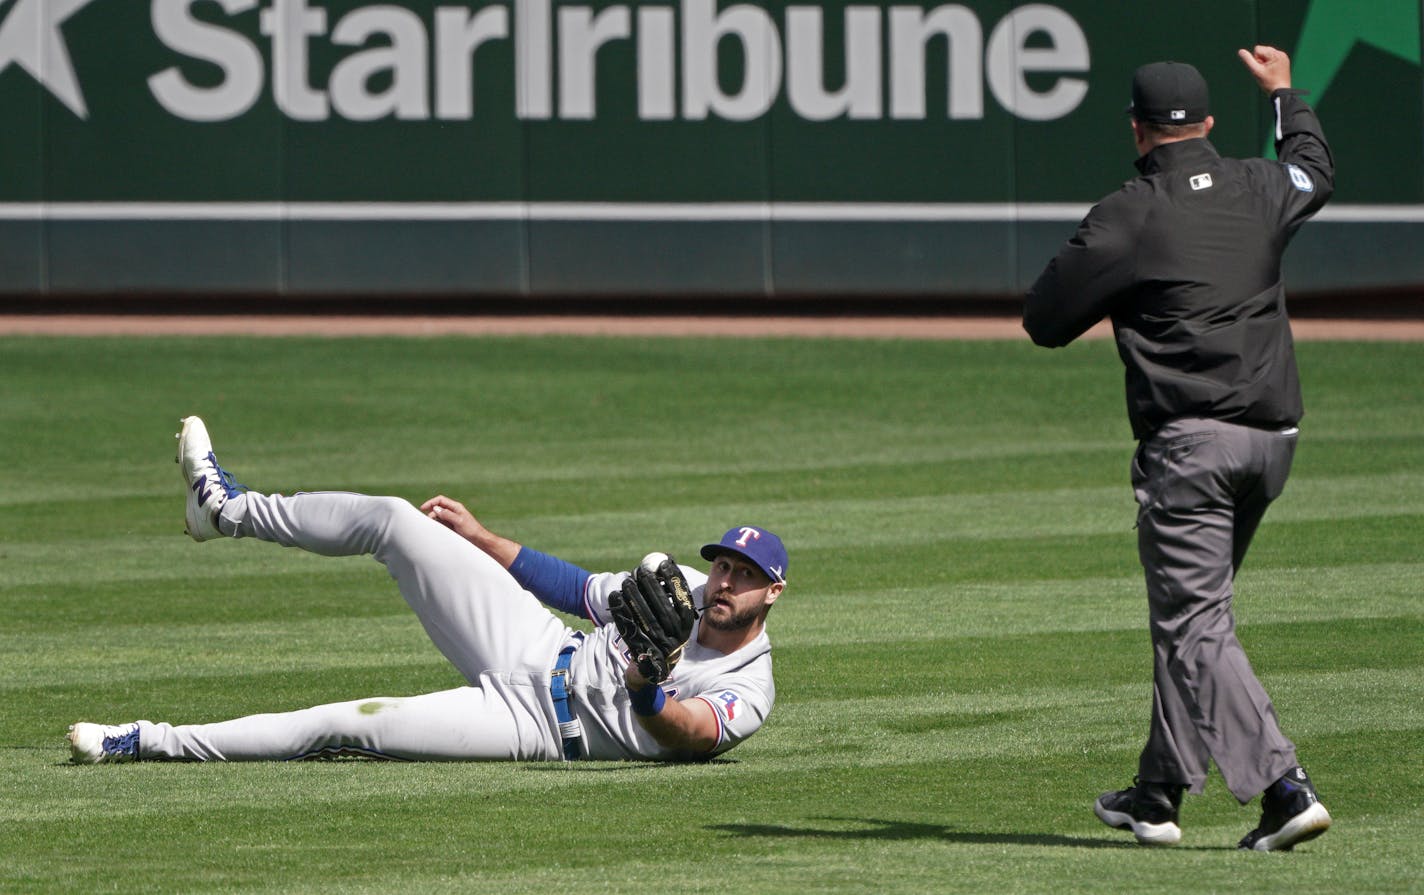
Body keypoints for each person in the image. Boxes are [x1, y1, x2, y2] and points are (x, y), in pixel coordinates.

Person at [67, 416, 786, 764]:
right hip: (536, 640)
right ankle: (223, 509)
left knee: (347, 721)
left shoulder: (750, 685)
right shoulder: (686, 587)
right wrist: (484, 539)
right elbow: (577, 588)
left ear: (771, 594)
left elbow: (689, 736)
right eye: (724, 563)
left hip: (531, 726)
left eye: (744, 575)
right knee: (393, 519)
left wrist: (642, 689)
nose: (725, 580)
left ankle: (144, 741)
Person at [1022, 47, 1334, 851]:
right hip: (1274, 442)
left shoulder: (1131, 211)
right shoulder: (1261, 186)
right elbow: (1311, 168)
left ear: (1136, 129)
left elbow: (1045, 319)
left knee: (1194, 626)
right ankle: (1157, 793)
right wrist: (1285, 94)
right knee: (1196, 622)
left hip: (1191, 450)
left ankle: (1283, 789)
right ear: (1208, 123)